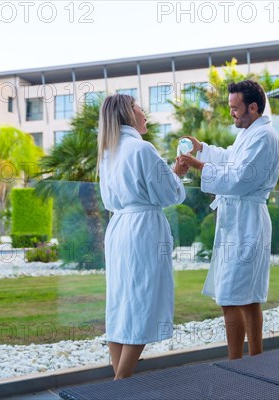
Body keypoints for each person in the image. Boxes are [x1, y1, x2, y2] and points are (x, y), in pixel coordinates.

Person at [179, 80, 279, 359]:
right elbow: (231, 160)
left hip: (246, 221)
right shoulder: (250, 133)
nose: (232, 113)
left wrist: (200, 166)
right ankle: (256, 360)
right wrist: (203, 150)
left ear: (253, 107)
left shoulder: (264, 137)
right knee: (247, 298)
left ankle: (237, 364)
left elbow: (238, 178)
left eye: (235, 108)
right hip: (238, 221)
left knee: (232, 298)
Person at [97, 94, 189, 379]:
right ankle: (119, 382)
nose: (144, 113)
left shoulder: (108, 152)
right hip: (143, 231)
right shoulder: (142, 149)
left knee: (120, 302)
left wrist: (170, 174)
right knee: (143, 302)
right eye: (139, 108)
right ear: (128, 113)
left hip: (118, 229)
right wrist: (177, 175)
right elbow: (170, 194)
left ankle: (119, 383)